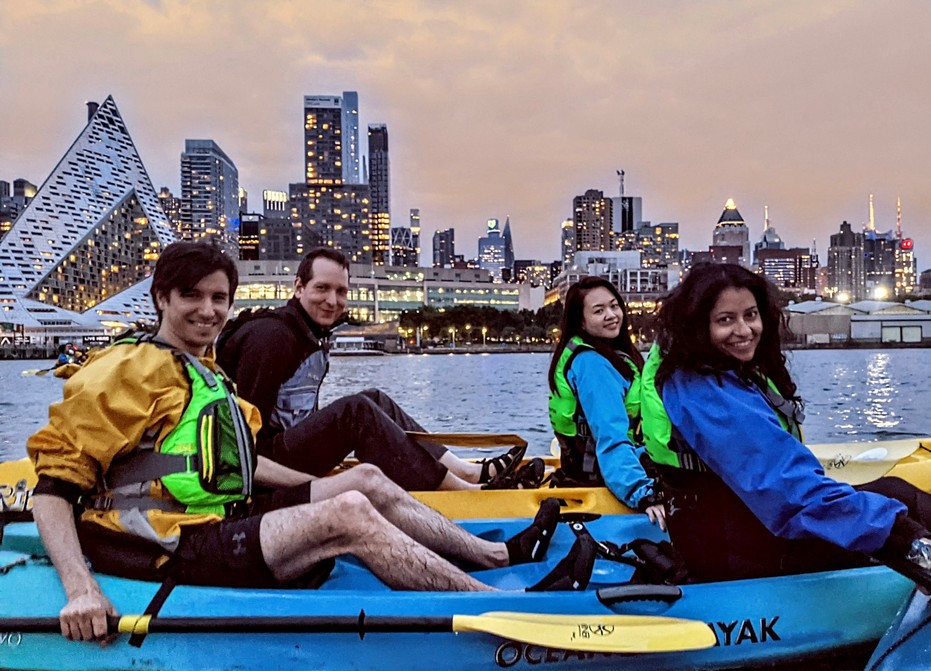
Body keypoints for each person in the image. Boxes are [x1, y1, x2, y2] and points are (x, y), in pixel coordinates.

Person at [26, 241, 591, 644]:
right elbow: (51, 490)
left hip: (220, 517)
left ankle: (498, 554)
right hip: (169, 544)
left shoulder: (206, 371)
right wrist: (81, 590)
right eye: (191, 297)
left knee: (364, 481)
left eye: (218, 298)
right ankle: (496, 608)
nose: (208, 310)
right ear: (161, 299)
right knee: (348, 512)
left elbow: (243, 461)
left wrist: (321, 484)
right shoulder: (127, 370)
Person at [642, 262, 931, 586]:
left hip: (731, 530)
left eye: (750, 315)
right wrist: (898, 535)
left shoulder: (714, 374)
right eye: (725, 320)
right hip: (737, 549)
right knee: (899, 502)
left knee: (891, 490)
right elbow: (784, 487)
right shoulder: (707, 392)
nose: (744, 330)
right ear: (698, 326)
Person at [216, 247, 542, 491]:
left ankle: (466, 472)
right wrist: (313, 485)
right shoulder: (271, 338)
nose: (332, 300)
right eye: (322, 288)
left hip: (288, 450)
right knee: (357, 412)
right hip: (266, 469)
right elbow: (243, 440)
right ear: (299, 287)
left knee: (374, 398)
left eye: (341, 291)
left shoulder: (309, 335)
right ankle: (467, 493)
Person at [547, 276, 666, 529]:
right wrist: (644, 495)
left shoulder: (608, 354)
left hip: (601, 467)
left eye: (614, 306)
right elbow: (610, 436)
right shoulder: (594, 365)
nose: (612, 315)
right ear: (581, 321)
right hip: (604, 477)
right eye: (599, 311)